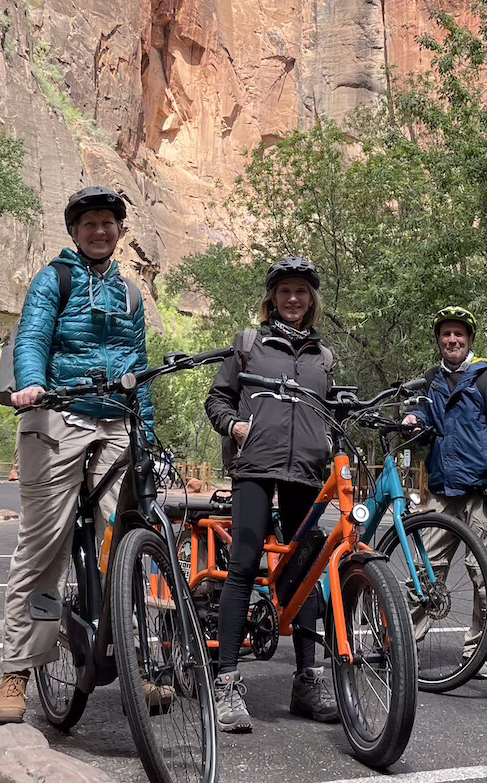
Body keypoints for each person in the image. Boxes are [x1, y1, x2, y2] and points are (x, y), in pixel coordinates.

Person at [0, 186, 153, 724]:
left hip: (115, 422)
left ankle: (134, 664)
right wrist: (31, 384)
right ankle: (17, 671)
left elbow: (139, 371)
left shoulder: (130, 296)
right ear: (74, 231)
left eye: (109, 223)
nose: (100, 231)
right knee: (44, 546)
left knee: (128, 542)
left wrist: (143, 430)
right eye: (90, 223)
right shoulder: (54, 279)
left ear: (119, 231)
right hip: (59, 416)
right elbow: (33, 337)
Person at [203, 256, 340, 733]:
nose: (294, 298)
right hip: (255, 467)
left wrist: (329, 442)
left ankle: (307, 681)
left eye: (302, 291)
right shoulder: (248, 344)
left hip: (305, 473)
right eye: (285, 291)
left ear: (312, 300)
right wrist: (234, 425)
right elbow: (217, 398)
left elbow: (331, 408)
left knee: (305, 573)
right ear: (272, 298)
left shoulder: (323, 357)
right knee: (242, 564)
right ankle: (227, 684)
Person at [401, 306, 487, 679]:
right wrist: (413, 419)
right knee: (425, 570)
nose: (452, 340)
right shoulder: (432, 380)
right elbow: (423, 415)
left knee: (482, 576)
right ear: (439, 341)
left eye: (459, 334)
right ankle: (405, 644)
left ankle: (477, 654)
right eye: (445, 335)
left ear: (469, 340)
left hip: (484, 490)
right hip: (443, 489)